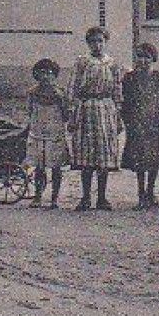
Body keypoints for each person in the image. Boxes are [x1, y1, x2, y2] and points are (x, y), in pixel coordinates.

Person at [68, 25, 124, 211]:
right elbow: (73, 88)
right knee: (86, 155)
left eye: (100, 41)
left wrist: (118, 116)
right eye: (93, 42)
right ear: (88, 43)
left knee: (103, 155)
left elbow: (117, 90)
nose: (97, 45)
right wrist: (73, 113)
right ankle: (85, 197)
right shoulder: (82, 62)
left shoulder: (112, 64)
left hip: (106, 109)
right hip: (86, 109)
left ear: (105, 42)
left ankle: (102, 197)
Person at [121, 42, 159, 209]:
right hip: (136, 123)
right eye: (140, 57)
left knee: (154, 158)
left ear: (153, 59)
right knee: (140, 159)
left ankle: (151, 191)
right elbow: (126, 101)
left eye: (147, 57)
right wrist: (129, 121)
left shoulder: (158, 77)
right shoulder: (129, 77)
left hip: (154, 123)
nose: (143, 61)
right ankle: (141, 193)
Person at [24, 58, 70, 208]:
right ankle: (37, 197)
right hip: (37, 133)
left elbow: (65, 115)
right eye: (42, 73)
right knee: (39, 167)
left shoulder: (60, 94)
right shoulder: (32, 93)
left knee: (56, 167)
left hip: (55, 134)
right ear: (37, 75)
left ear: (54, 75)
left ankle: (54, 199)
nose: (46, 76)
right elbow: (29, 111)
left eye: (50, 73)